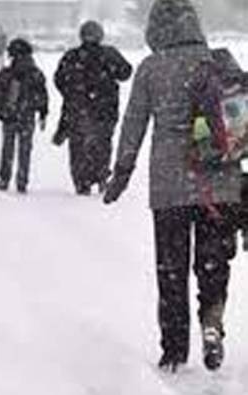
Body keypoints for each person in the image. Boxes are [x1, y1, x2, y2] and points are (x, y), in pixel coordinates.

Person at [103, 0, 242, 373]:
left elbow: (133, 125)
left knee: (172, 269)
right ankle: (212, 323)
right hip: (220, 186)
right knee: (212, 265)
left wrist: (121, 173)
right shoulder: (220, 63)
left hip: (170, 187)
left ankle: (174, 349)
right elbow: (238, 123)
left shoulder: (152, 68)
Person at [54, 21, 133, 195]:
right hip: (105, 110)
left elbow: (59, 80)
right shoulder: (109, 54)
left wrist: (73, 94)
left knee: (78, 147)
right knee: (102, 144)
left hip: (77, 110)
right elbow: (126, 72)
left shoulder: (72, 56)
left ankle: (82, 181)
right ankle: (101, 174)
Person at [0, 38, 48, 194]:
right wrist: (42, 113)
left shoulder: (7, 73)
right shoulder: (36, 74)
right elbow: (43, 96)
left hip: (10, 115)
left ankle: (4, 178)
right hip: (27, 116)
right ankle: (22, 180)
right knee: (25, 149)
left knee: (8, 148)